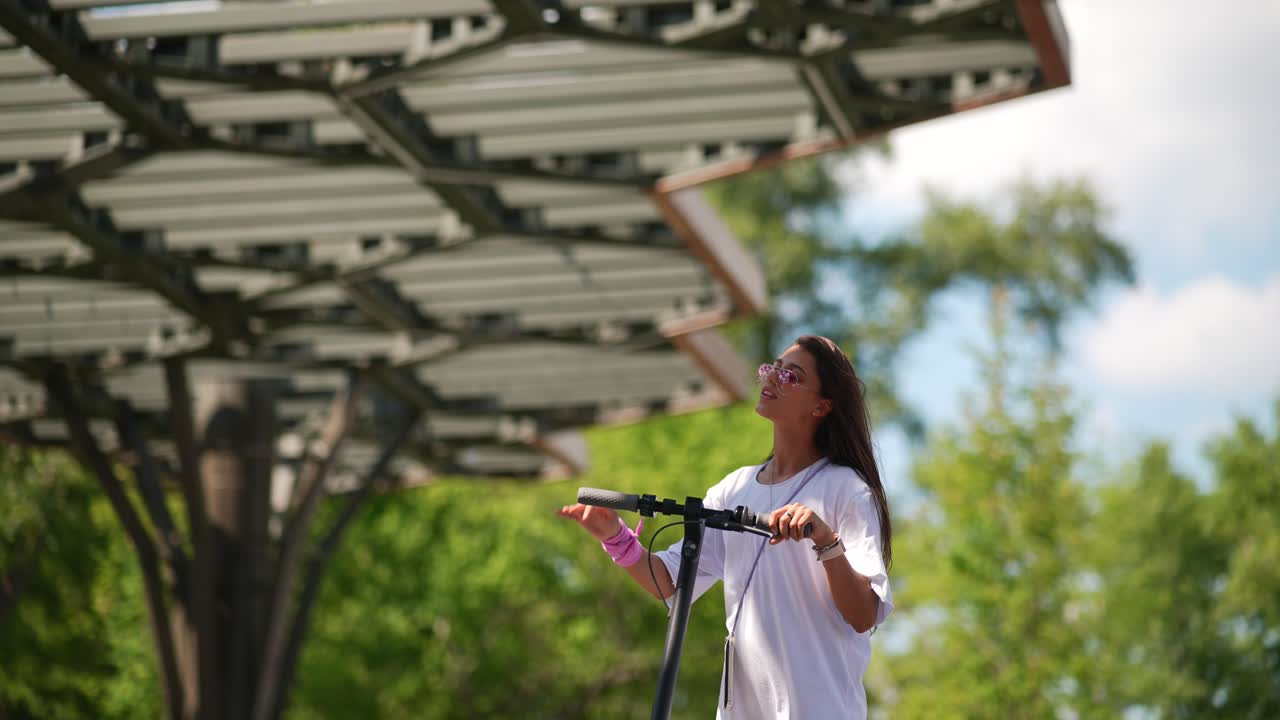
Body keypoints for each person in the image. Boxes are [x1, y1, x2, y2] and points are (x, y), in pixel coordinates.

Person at [558, 335, 893, 719]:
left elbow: (864, 614)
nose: (773, 377)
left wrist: (826, 541)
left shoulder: (845, 489)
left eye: (791, 376)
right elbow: (669, 583)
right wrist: (615, 537)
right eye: (774, 368)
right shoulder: (734, 488)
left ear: (822, 405)